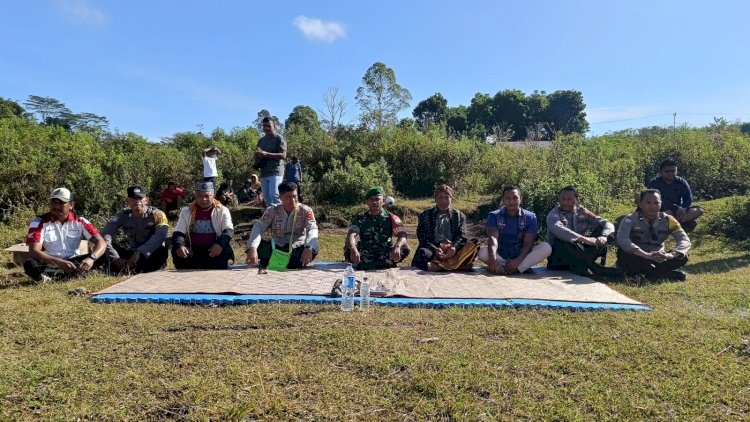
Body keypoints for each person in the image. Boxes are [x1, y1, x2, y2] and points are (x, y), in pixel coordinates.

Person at [24, 187, 107, 282]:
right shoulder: (38, 222)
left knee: (104, 255)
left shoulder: (80, 221)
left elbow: (101, 242)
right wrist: (59, 263)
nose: (57, 206)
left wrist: (91, 258)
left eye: (61, 202)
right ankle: (49, 278)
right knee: (30, 264)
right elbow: (33, 251)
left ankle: (70, 274)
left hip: (74, 263)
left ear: (71, 205)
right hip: (50, 263)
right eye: (54, 202)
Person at [546, 186, 622, 278]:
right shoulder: (554, 214)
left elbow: (606, 223)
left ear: (576, 200)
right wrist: (585, 239)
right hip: (559, 257)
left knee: (601, 229)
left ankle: (583, 265)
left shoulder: (582, 211)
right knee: (563, 240)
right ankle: (593, 267)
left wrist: (604, 236)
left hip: (580, 250)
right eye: (563, 199)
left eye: (569, 199)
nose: (565, 202)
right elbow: (558, 229)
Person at [616, 189, 691, 281]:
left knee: (683, 256)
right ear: (640, 204)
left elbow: (684, 240)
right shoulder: (630, 219)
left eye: (656, 203)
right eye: (648, 202)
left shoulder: (669, 220)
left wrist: (670, 255)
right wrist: (644, 254)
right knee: (622, 252)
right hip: (638, 257)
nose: (652, 206)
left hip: (659, 258)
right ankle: (662, 273)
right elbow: (622, 239)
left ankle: (645, 274)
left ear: (661, 204)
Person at [478, 186, 552, 275]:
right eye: (508, 198)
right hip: (501, 256)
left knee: (546, 248)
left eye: (515, 198)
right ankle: (510, 267)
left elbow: (528, 244)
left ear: (521, 199)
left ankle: (515, 268)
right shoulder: (494, 216)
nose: (511, 201)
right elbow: (493, 238)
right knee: (482, 253)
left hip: (521, 257)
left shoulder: (530, 217)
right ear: (503, 200)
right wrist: (493, 257)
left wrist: (518, 261)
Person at [245, 182, 318, 269]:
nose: (293, 200)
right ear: (280, 197)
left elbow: (312, 228)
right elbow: (259, 226)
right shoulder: (272, 210)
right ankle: (273, 259)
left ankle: (273, 261)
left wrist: (308, 247)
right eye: (288, 197)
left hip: (297, 246)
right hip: (277, 246)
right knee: (254, 246)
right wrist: (253, 247)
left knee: (309, 248)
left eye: (295, 196)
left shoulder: (305, 210)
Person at [100, 186, 169, 275]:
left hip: (152, 253)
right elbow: (105, 234)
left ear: (146, 200)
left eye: (140, 198)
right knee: (103, 247)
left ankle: (129, 269)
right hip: (132, 253)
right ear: (128, 201)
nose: (137, 201)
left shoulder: (157, 214)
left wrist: (140, 252)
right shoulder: (122, 215)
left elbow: (161, 235)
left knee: (160, 251)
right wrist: (115, 257)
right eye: (133, 198)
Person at [412, 184, 478, 271]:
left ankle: (439, 267)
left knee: (474, 244)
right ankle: (458, 266)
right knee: (422, 253)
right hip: (433, 251)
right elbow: (422, 237)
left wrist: (454, 248)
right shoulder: (425, 215)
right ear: (435, 199)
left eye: (447, 197)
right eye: (440, 198)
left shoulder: (459, 215)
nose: (443, 201)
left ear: (451, 199)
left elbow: (463, 236)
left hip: (453, 250)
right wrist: (435, 249)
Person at [171, 181, 235, 269]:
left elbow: (228, 231)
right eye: (200, 196)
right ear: (195, 196)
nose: (203, 199)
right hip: (193, 250)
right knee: (176, 250)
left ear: (213, 195)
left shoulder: (222, 210)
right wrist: (179, 245)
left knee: (223, 254)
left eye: (207, 196)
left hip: (214, 249)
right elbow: (179, 232)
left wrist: (219, 244)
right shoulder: (186, 211)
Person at [345, 186, 410, 270]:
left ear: (383, 201)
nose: (374, 202)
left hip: (386, 254)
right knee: (348, 246)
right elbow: (351, 234)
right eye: (371, 199)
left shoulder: (391, 217)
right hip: (365, 255)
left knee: (405, 247)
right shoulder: (360, 218)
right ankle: (358, 262)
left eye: (377, 199)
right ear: (367, 202)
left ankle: (392, 262)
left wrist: (397, 247)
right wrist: (353, 249)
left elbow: (402, 234)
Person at [647, 159, 704, 232]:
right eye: (667, 171)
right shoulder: (654, 183)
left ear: (676, 171)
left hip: (679, 211)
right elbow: (657, 200)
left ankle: (677, 223)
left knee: (699, 210)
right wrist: (675, 208)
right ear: (661, 172)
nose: (670, 173)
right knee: (667, 214)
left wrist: (683, 208)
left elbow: (688, 198)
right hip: (662, 210)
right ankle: (682, 223)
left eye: (673, 171)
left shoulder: (681, 182)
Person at [254, 117, 287, 206]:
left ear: (274, 126)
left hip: (276, 171)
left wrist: (266, 154)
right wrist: (256, 162)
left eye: (269, 125)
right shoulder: (261, 141)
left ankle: (282, 217)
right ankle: (272, 219)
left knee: (275, 195)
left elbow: (283, 155)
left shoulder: (279, 138)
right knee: (267, 198)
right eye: (264, 126)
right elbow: (258, 154)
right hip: (264, 172)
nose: (267, 128)